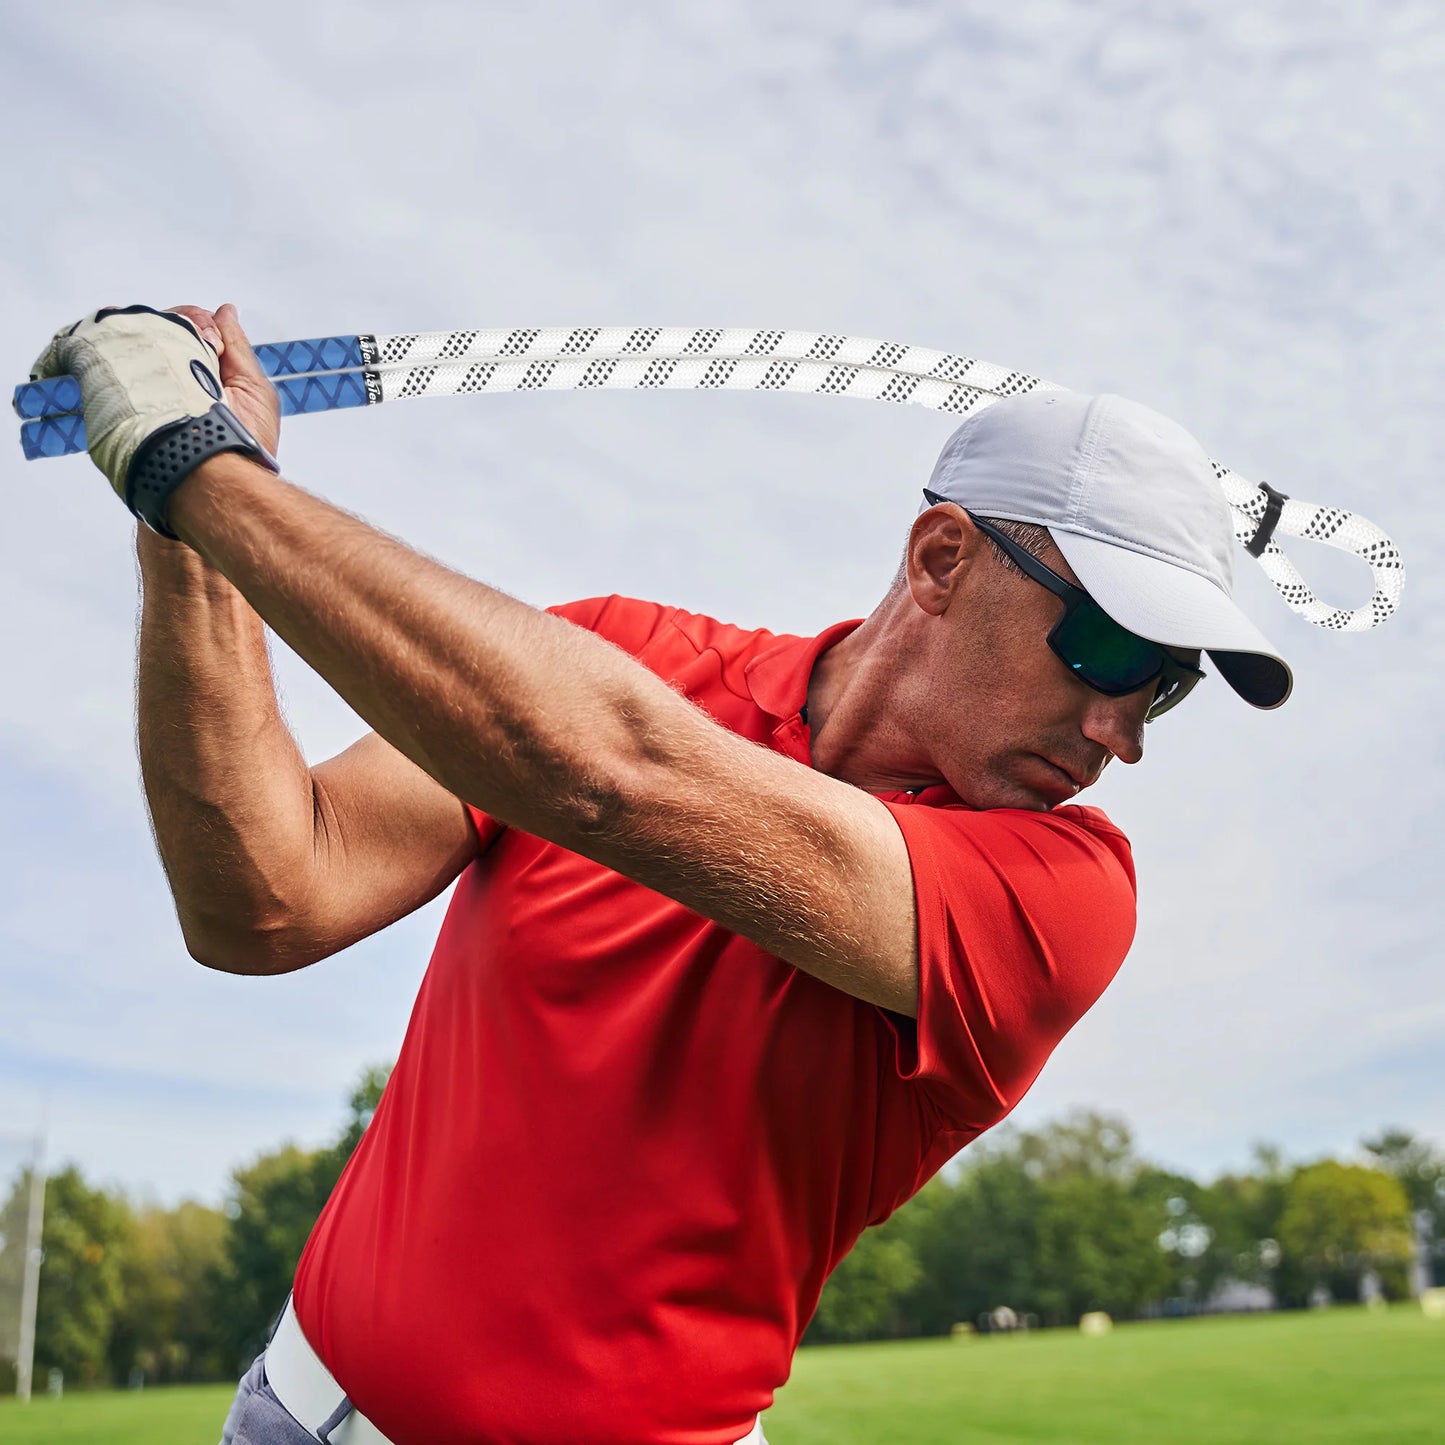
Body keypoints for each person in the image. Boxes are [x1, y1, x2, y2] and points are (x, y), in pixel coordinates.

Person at [34, 305, 1291, 1445]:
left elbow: (612, 776)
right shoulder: (614, 655)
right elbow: (261, 899)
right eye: (1109, 643)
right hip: (290, 1418)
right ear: (940, 559)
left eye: (1164, 683)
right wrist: (185, 535)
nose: (1118, 729)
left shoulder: (1062, 889)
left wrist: (196, 467)